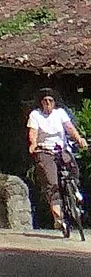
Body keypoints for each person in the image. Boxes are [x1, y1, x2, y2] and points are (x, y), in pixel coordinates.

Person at [26, 86, 87, 233]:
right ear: (41, 103)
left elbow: (69, 128)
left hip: (60, 148)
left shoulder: (60, 113)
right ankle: (58, 218)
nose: (47, 103)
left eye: (50, 101)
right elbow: (33, 132)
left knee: (73, 167)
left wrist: (79, 139)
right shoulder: (35, 115)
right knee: (51, 182)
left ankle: (74, 190)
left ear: (54, 103)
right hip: (45, 150)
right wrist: (33, 144)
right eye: (45, 101)